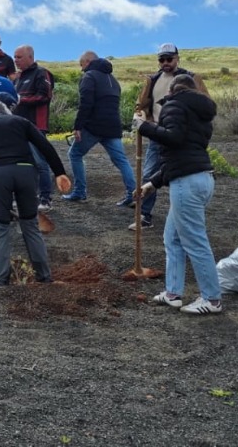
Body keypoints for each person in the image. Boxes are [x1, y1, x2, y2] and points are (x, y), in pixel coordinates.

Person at [0, 93, 72, 286]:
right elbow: (45, 146)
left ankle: (0, 281)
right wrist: (60, 172)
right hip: (26, 173)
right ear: (8, 111)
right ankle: (44, 277)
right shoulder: (21, 122)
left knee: (0, 228)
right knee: (30, 226)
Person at [133, 74, 222, 314]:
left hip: (186, 183)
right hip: (201, 178)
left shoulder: (174, 105)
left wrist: (144, 127)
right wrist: (152, 183)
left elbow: (173, 139)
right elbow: (183, 152)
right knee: (172, 238)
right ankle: (173, 293)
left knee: (195, 241)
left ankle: (212, 299)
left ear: (172, 90)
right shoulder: (201, 113)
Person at [132, 43, 209, 229]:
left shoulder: (190, 78)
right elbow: (141, 104)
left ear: (177, 58)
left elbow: (206, 103)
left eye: (169, 59)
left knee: (182, 174)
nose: (165, 63)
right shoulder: (154, 79)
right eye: (161, 59)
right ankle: (144, 215)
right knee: (149, 173)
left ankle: (184, 218)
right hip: (157, 133)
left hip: (182, 135)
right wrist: (144, 113)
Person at [62, 51, 136, 204]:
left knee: (75, 154)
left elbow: (85, 103)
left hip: (93, 127)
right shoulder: (113, 80)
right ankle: (133, 195)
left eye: (82, 66)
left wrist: (78, 126)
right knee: (121, 160)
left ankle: (79, 191)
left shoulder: (89, 77)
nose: (82, 70)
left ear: (88, 62)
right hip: (113, 126)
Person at [13, 44, 55, 212]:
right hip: (18, 126)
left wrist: (20, 99)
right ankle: (24, 197)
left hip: (36, 126)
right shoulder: (18, 78)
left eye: (19, 57)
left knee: (40, 163)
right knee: (20, 163)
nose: (16, 60)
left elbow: (44, 96)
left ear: (30, 57)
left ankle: (46, 199)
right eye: (15, 57)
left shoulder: (42, 73)